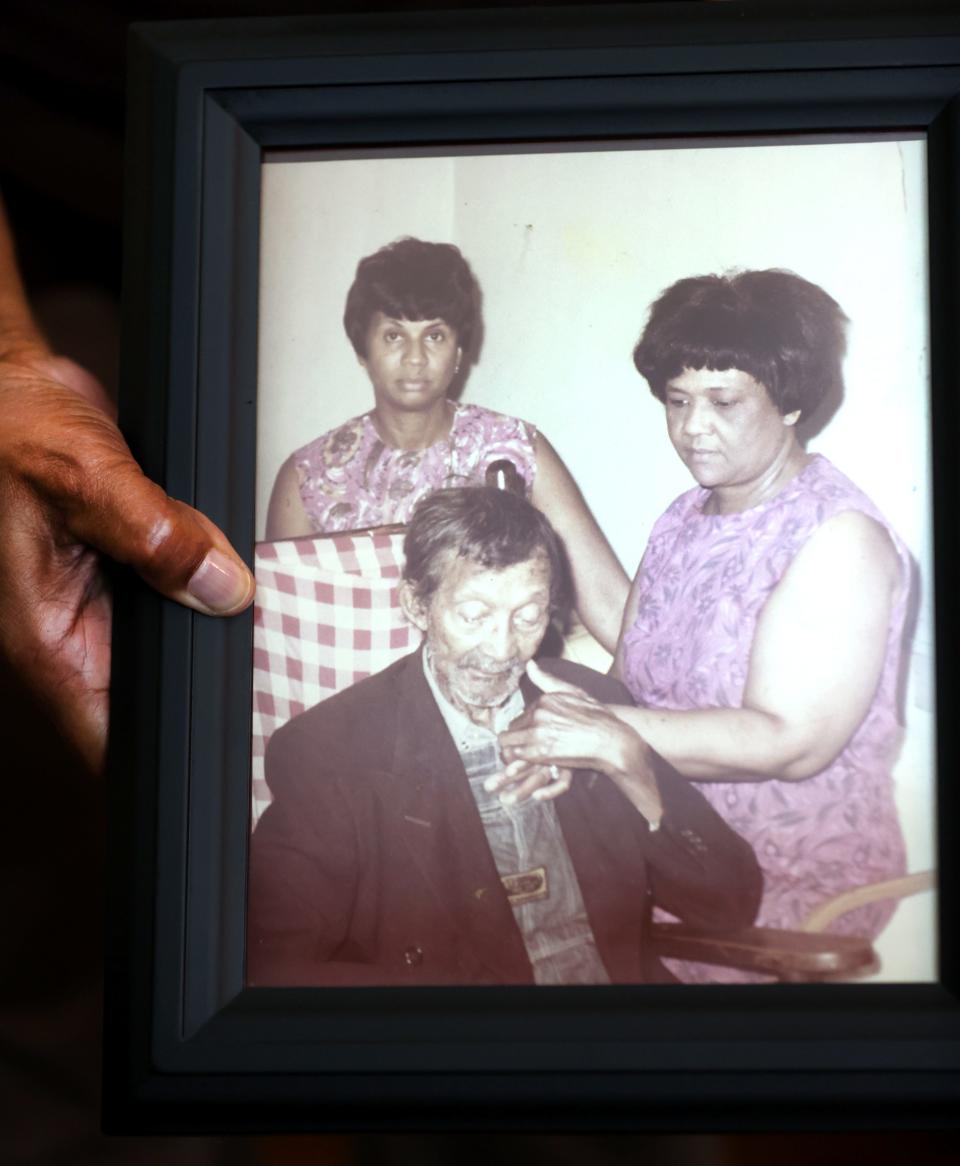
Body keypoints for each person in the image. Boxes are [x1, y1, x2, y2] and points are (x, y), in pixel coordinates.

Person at [496, 269, 911, 983]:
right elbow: (634, 664)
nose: (692, 428)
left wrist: (600, 730)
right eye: (678, 401)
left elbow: (789, 743)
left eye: (723, 402)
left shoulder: (837, 538)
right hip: (663, 830)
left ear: (789, 402)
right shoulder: (686, 517)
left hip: (776, 875)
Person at [247, 486, 761, 987]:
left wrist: (627, 759)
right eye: (474, 615)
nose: (501, 648)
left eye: (528, 616)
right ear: (417, 605)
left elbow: (730, 904)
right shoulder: (333, 750)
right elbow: (273, 963)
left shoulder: (589, 704)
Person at [265, 236, 629, 653]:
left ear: (459, 351)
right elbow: (282, 632)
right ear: (362, 349)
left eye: (435, 336)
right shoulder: (307, 476)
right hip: (351, 696)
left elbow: (606, 599)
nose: (415, 357)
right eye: (393, 336)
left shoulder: (515, 448)